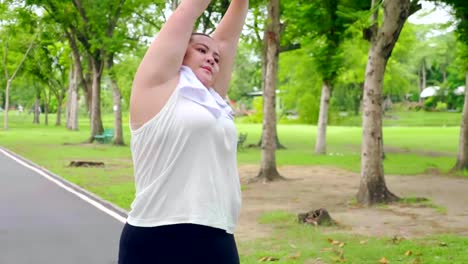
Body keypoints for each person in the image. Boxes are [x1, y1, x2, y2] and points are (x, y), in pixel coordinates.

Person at [118, 0, 248, 263]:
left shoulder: (213, 100)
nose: (212, 58)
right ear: (179, 53)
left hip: (216, 235)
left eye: (216, 58)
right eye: (201, 50)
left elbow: (228, 38)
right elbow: (188, 10)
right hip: (156, 237)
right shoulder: (154, 89)